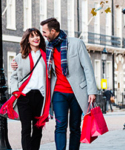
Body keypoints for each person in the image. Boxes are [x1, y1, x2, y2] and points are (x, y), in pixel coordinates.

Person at [11, 18, 98, 150]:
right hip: (58, 92)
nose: (43, 35)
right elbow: (30, 54)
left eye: (44, 32)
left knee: (75, 126)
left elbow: (88, 68)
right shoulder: (47, 47)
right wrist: (15, 63)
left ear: (53, 31)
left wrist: (92, 91)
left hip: (77, 92)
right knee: (60, 125)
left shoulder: (76, 43)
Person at [0, 28, 50, 150]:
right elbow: (14, 77)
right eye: (32, 36)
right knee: (26, 129)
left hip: (41, 96)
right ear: (27, 39)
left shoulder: (47, 56)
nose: (36, 38)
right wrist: (16, 92)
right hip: (24, 96)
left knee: (38, 129)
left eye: (37, 35)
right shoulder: (20, 57)